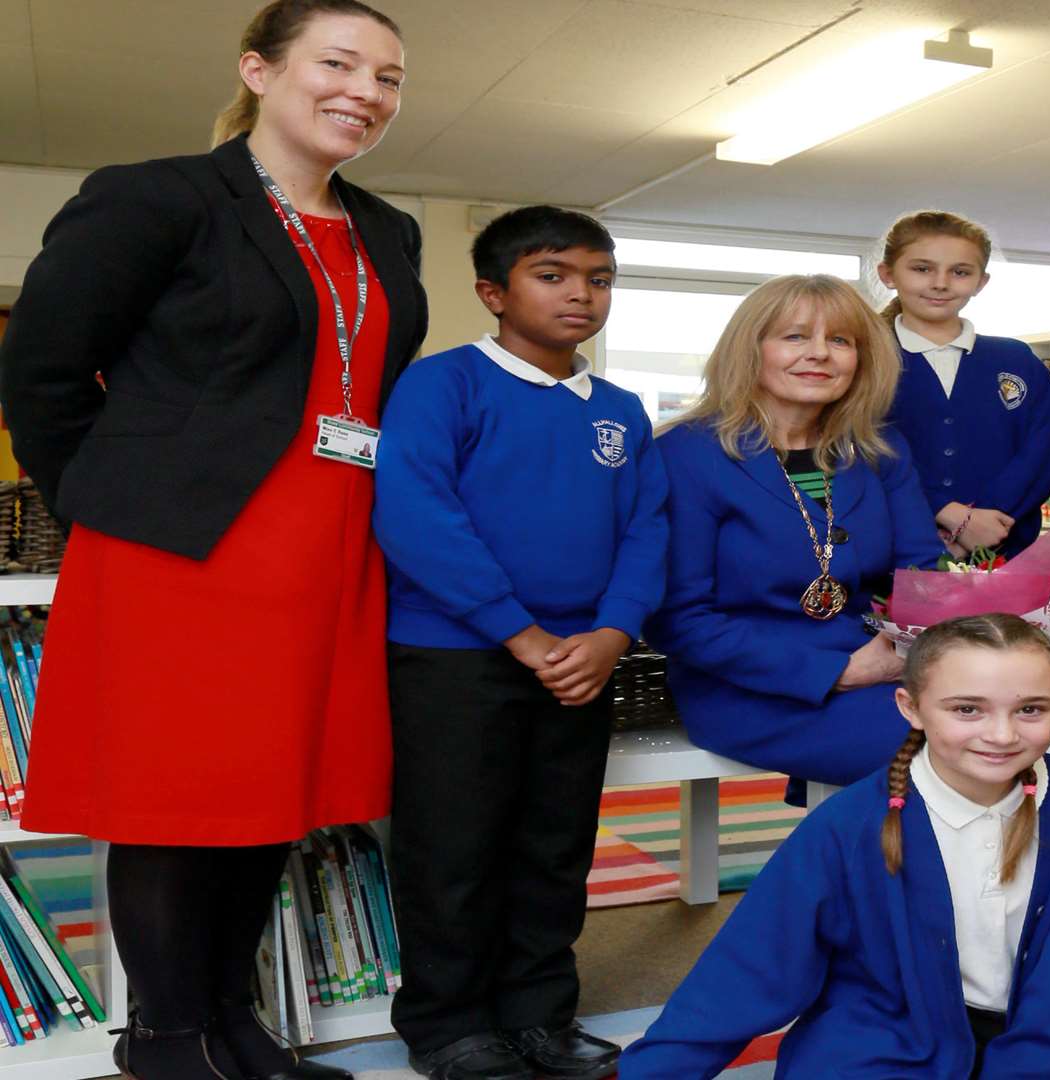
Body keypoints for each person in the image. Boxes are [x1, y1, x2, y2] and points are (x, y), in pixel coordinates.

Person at [0, 4, 422, 1079]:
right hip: (185, 554)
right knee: (173, 798)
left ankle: (236, 1023)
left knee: (275, 795)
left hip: (331, 552)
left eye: (388, 77)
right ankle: (165, 1036)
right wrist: (112, 503)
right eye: (338, 64)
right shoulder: (159, 197)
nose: (364, 92)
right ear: (260, 68)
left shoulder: (387, 228)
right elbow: (41, 371)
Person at [372, 207, 664, 1080]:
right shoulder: (442, 385)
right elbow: (416, 517)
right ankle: (447, 1024)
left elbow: (648, 531)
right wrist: (521, 632)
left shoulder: (619, 410)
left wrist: (613, 633)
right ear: (493, 292)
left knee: (556, 845)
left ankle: (538, 1014)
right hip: (454, 656)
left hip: (581, 663)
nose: (581, 293)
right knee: (452, 847)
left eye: (599, 278)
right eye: (553, 274)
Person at [619, 614, 1050, 1079]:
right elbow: (748, 972)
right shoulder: (846, 827)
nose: (1000, 735)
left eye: (1030, 709)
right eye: (967, 709)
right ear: (911, 707)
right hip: (884, 1037)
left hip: (1021, 1033)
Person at [645, 274, 946, 788]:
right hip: (748, 688)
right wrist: (836, 673)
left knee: (1025, 732)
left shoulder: (881, 452)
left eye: (839, 341)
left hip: (886, 670)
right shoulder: (686, 455)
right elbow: (677, 619)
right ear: (751, 349)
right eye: (794, 337)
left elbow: (925, 576)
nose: (819, 354)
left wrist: (907, 653)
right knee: (954, 750)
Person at [877, 211, 1050, 557]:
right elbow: (859, 450)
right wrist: (949, 516)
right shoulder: (864, 361)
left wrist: (981, 527)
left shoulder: (1016, 360)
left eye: (960, 272)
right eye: (922, 269)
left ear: (981, 282)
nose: (940, 283)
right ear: (888, 274)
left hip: (1002, 547)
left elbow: (1043, 451)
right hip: (892, 551)